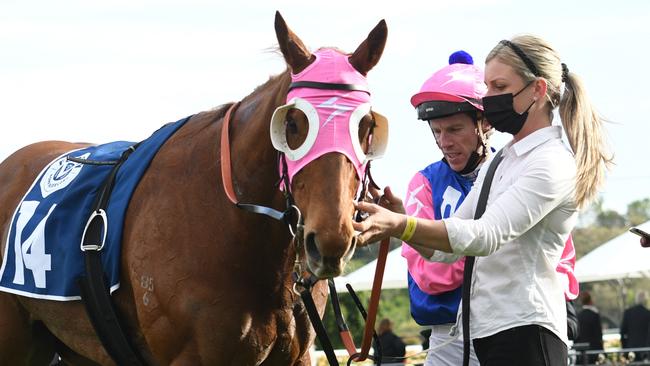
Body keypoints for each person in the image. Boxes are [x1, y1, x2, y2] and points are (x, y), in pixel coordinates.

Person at [353, 34, 612, 366]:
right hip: (490, 334)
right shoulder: (504, 160)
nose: (487, 99)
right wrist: (401, 224)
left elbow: (485, 236)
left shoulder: (551, 161)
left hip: (529, 334)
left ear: (538, 90)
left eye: (499, 87)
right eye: (487, 87)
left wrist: (402, 224)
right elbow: (446, 250)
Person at [403, 50, 487, 366]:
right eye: (437, 131)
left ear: (484, 122)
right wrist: (490, 255)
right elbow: (429, 274)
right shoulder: (423, 183)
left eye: (454, 129)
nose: (444, 141)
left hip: (509, 329)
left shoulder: (514, 172)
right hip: (448, 337)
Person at [575, 291, 604, 364]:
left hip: (581, 353)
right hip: (594, 351)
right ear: (591, 300)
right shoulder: (594, 315)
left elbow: (576, 335)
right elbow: (598, 335)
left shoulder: (578, 316)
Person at [620, 291, 650, 359]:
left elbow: (622, 332)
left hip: (630, 349)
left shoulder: (628, 313)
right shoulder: (648, 313)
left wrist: (625, 348)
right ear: (645, 300)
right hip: (645, 351)